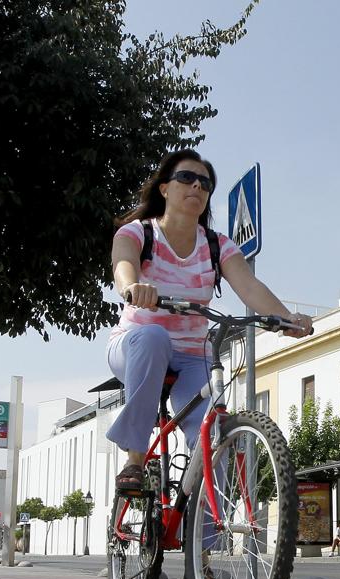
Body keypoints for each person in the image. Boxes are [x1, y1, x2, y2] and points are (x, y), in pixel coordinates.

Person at [105, 149, 313, 495]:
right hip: (135, 343)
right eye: (187, 178)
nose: (197, 187)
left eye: (205, 183)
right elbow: (123, 263)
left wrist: (286, 318)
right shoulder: (139, 232)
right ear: (165, 189)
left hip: (191, 355)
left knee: (213, 433)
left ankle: (205, 539)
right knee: (154, 336)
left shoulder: (217, 246)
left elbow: (249, 286)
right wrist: (132, 287)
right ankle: (135, 457)